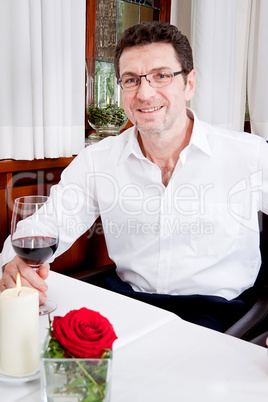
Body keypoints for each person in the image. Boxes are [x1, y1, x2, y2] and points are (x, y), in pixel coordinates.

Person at [1, 21, 268, 332]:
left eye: (161, 76)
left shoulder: (249, 154)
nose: (144, 93)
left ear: (189, 84)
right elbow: (46, 225)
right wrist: (12, 263)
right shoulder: (99, 160)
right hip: (129, 306)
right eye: (131, 80)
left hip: (220, 316)